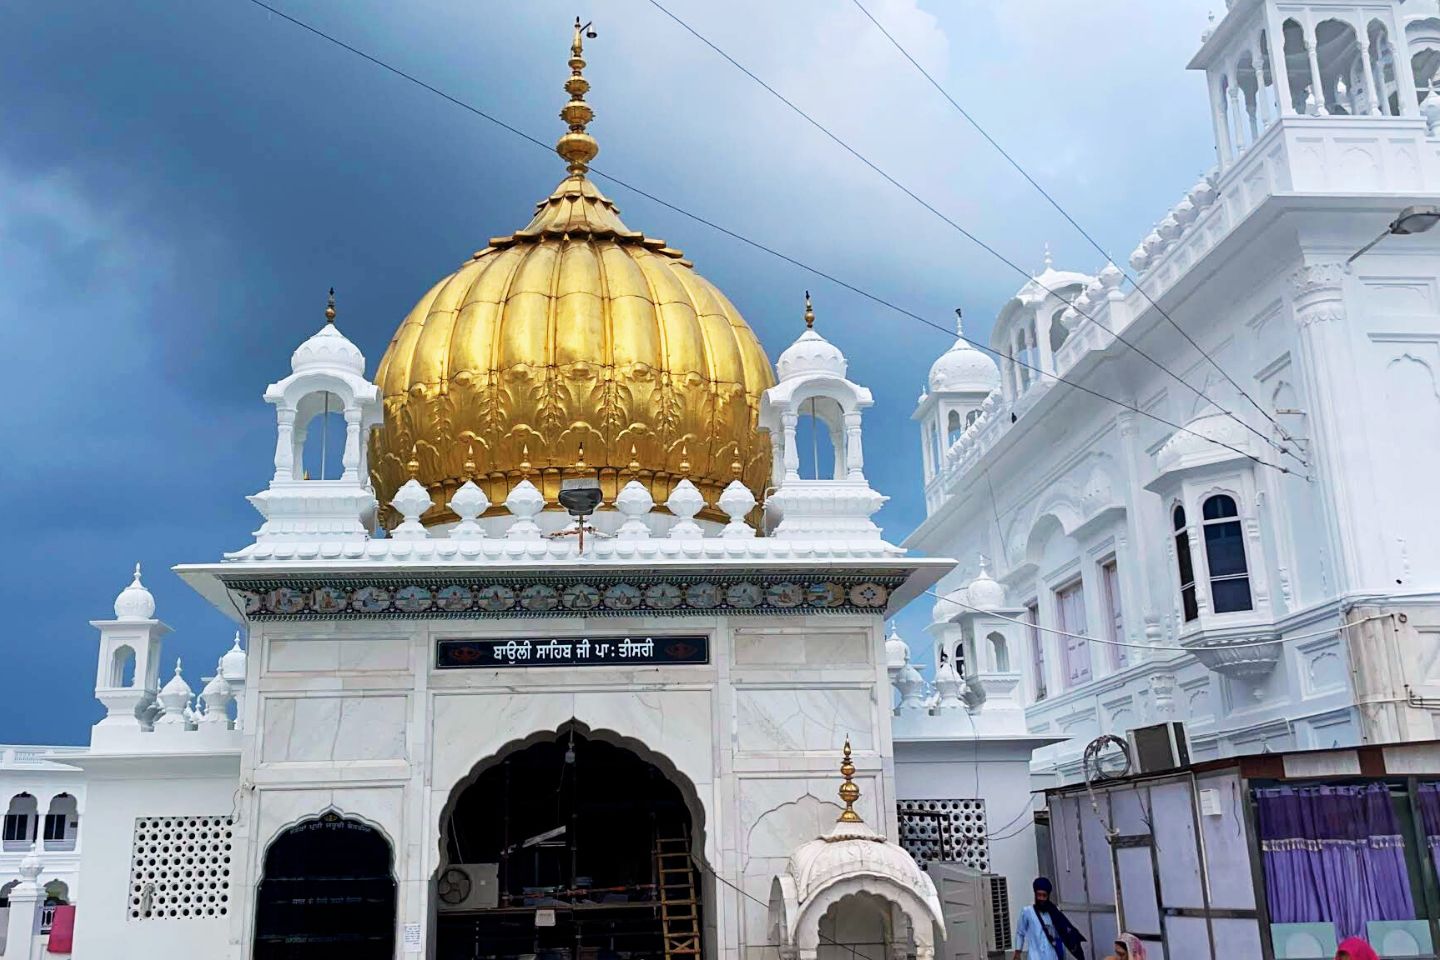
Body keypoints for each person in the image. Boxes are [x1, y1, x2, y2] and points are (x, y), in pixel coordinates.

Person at [1013, 877, 1086, 960]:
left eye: (1044, 895)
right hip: (1034, 957)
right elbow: (1020, 933)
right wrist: (1017, 952)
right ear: (1035, 895)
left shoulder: (1055, 912)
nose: (1041, 898)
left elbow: (1063, 933)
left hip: (1052, 956)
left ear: (1048, 896)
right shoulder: (1027, 912)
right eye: (1039, 895)